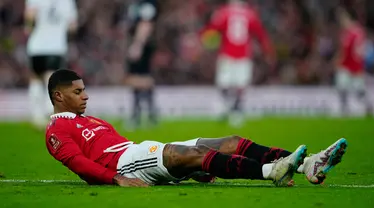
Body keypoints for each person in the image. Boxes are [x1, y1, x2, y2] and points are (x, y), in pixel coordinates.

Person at [45, 69, 348, 187]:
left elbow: (124, 146)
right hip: (126, 165)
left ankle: (309, 163)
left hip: (136, 154)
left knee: (229, 141)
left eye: (84, 90)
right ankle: (273, 171)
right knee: (194, 153)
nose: (85, 96)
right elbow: (80, 165)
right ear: (59, 96)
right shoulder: (57, 133)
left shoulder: (92, 121)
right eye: (77, 92)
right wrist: (117, 179)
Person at [200, 0, 275, 127]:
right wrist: (268, 50)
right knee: (240, 86)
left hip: (227, 54)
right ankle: (235, 111)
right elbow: (261, 34)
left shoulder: (224, 12)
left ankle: (227, 108)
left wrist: (204, 37)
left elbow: (212, 29)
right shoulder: (250, 14)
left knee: (224, 84)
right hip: (244, 55)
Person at [25, 0, 78, 129]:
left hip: (36, 45)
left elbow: (30, 17)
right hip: (57, 46)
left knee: (35, 77)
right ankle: (50, 107)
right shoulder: (67, 2)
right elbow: (73, 26)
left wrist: (29, 27)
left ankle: (37, 116)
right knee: (52, 75)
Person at [124, 0, 158, 130]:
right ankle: (149, 115)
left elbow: (146, 24)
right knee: (140, 78)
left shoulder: (146, 4)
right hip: (140, 44)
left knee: (139, 78)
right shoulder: (140, 4)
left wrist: (138, 45)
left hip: (142, 45)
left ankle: (140, 115)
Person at [335, 6, 373, 116]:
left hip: (355, 66)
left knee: (359, 91)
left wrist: (360, 55)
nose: (341, 21)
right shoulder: (344, 33)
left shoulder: (357, 31)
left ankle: (368, 106)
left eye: (342, 18)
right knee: (342, 86)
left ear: (348, 18)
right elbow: (343, 50)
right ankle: (344, 109)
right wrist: (338, 60)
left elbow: (359, 48)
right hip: (345, 65)